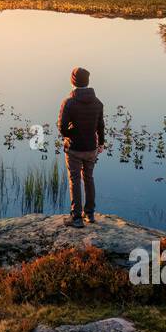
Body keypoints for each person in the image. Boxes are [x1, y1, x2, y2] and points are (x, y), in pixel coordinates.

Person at [57, 66, 104, 226]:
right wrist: (101, 143)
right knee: (89, 178)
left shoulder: (69, 103)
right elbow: (101, 126)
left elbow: (62, 128)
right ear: (87, 82)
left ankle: (76, 218)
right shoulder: (98, 103)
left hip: (74, 149)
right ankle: (89, 214)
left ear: (73, 82)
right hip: (91, 148)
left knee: (75, 180)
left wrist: (72, 134)